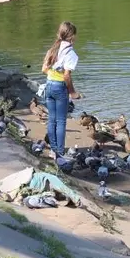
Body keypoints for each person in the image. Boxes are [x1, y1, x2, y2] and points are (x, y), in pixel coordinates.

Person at [42, 21, 81, 157]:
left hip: (49, 85)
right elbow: (66, 76)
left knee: (51, 119)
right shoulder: (71, 53)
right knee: (61, 121)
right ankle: (59, 151)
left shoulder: (52, 49)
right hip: (60, 88)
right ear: (72, 37)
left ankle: (53, 150)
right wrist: (73, 92)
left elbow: (44, 69)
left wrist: (53, 77)